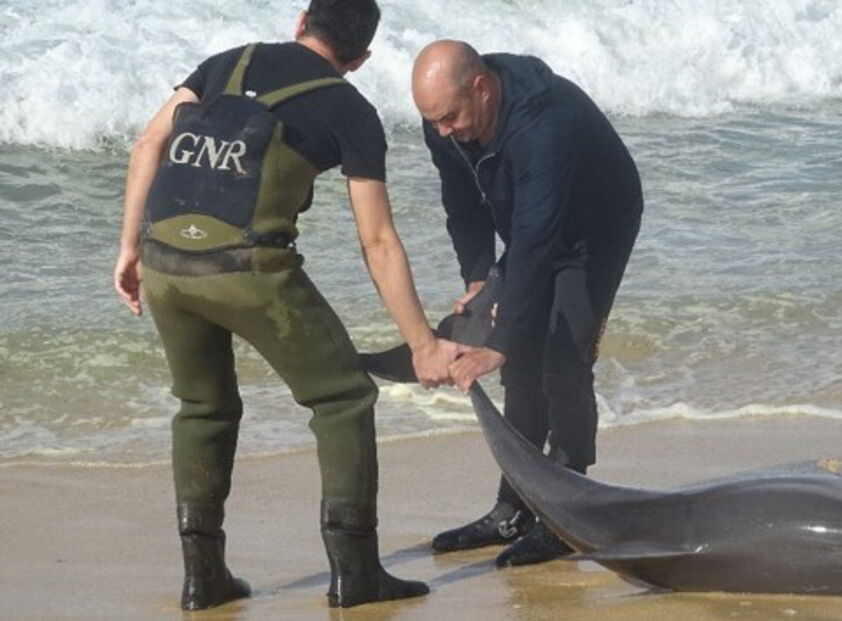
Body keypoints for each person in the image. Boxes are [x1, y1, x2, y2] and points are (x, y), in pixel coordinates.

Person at [113, 0, 458, 610]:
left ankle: (203, 577)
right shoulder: (351, 110)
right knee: (345, 398)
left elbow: (148, 147)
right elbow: (377, 241)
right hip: (250, 270)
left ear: (301, 21)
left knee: (202, 407)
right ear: (361, 58)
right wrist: (423, 345)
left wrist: (129, 250)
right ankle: (356, 575)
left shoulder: (227, 61)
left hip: (165, 259)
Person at [411, 40, 643, 567]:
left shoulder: (545, 124)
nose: (443, 130)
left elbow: (539, 238)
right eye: (433, 120)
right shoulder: (445, 119)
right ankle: (510, 509)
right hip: (531, 225)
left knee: (561, 356)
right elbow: (462, 199)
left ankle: (568, 510)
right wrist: (476, 278)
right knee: (519, 368)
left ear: (482, 87)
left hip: (593, 232)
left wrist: (501, 341)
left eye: (450, 116)